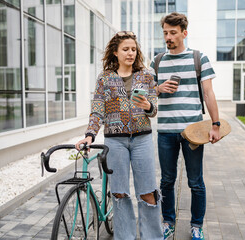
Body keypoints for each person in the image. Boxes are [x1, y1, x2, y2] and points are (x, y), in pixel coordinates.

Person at [76, 31, 163, 240]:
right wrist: (89, 135)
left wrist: (148, 105)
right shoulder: (105, 78)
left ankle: (153, 237)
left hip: (142, 139)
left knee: (148, 192)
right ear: (115, 52)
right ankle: (125, 237)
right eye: (125, 49)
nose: (130, 53)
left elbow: (153, 110)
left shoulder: (146, 75)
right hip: (115, 141)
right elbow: (97, 109)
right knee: (119, 193)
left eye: (133, 49)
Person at [150, 12, 221, 240]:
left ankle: (197, 225)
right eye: (165, 33)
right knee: (166, 181)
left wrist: (216, 124)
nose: (168, 37)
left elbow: (209, 94)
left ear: (184, 33)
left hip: (193, 133)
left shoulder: (199, 59)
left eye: (173, 33)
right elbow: (146, 95)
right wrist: (159, 89)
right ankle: (168, 222)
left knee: (195, 182)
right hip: (165, 133)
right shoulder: (157, 61)